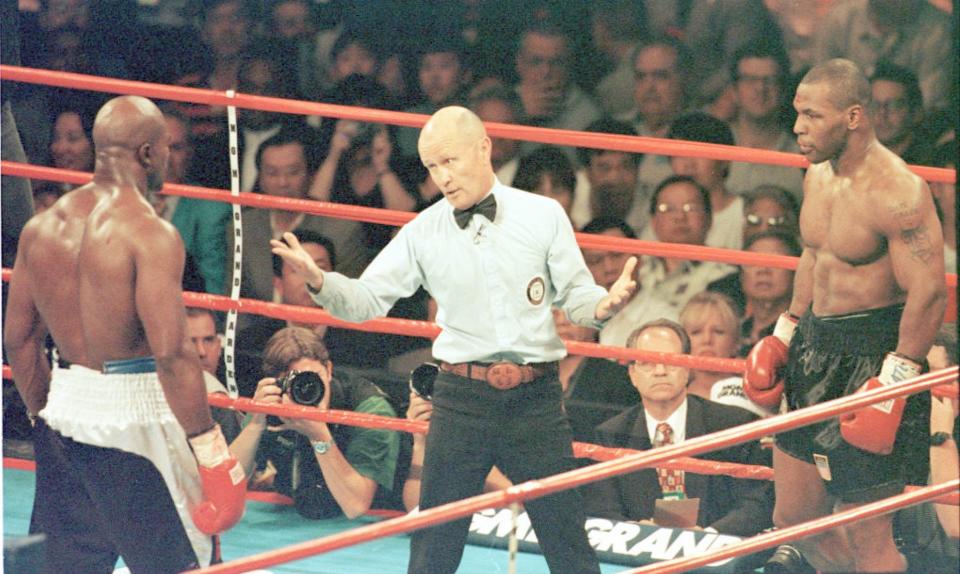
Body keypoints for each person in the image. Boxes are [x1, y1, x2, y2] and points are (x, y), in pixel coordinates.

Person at [272, 105, 639, 573]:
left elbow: (577, 294)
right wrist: (321, 282)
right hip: (462, 400)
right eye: (431, 167)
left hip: (536, 398)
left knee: (566, 538)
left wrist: (603, 306)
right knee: (433, 545)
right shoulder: (423, 231)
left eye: (450, 161)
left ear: (484, 148)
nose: (442, 177)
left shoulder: (544, 215)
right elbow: (366, 301)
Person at [3, 95, 245, 572]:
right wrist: (212, 450)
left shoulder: (42, 227)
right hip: (138, 424)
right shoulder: (149, 234)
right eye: (167, 148)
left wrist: (44, 413)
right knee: (183, 564)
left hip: (64, 411)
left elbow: (19, 339)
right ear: (149, 154)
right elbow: (174, 355)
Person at [743, 59, 946, 573]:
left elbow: (927, 293)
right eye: (797, 113)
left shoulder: (899, 192)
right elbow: (813, 256)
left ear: (853, 117)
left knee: (866, 533)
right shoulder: (817, 175)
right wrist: (785, 332)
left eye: (812, 115)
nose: (797, 127)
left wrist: (894, 383)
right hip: (814, 346)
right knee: (794, 517)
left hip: (873, 358)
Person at [585, 319, 774, 537]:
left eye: (670, 360)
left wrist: (708, 537)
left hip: (716, 553)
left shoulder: (733, 424)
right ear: (632, 375)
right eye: (647, 362)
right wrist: (639, 535)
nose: (660, 371)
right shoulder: (610, 435)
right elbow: (603, 509)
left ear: (687, 368)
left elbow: (757, 501)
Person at [230, 326, 402, 519]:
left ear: (329, 370)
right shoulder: (270, 404)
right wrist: (255, 424)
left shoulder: (369, 409)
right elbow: (224, 487)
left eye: (314, 378)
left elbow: (356, 505)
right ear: (275, 383)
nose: (306, 388)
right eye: (295, 382)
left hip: (374, 523)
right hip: (295, 516)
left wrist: (319, 435)